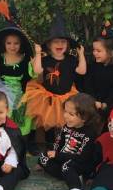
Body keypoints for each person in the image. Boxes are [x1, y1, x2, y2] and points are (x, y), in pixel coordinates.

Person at [23, 11, 86, 144]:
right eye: (56, 42)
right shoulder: (46, 60)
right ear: (49, 45)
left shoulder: (71, 59)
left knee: (62, 123)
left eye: (63, 42)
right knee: (41, 123)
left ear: (67, 45)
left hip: (65, 97)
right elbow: (37, 70)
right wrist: (38, 54)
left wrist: (81, 55)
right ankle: (40, 146)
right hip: (46, 97)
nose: (60, 44)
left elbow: (82, 71)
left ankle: (59, 145)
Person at [37, 93, 102, 190]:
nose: (65, 116)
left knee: (67, 166)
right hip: (64, 159)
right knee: (43, 157)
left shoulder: (90, 133)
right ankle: (71, 176)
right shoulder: (66, 126)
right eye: (65, 112)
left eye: (71, 114)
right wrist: (52, 155)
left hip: (80, 163)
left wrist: (57, 155)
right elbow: (58, 144)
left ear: (84, 118)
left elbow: (83, 157)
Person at [0, 15, 36, 137]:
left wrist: (32, 65)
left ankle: (19, 137)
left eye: (16, 43)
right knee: (1, 105)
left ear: (21, 44)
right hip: (1, 89)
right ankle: (0, 135)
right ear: (4, 43)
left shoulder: (25, 59)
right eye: (9, 43)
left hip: (20, 91)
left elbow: (30, 76)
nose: (12, 46)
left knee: (23, 109)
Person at [82, 22, 113, 119]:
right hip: (92, 101)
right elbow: (88, 83)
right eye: (94, 50)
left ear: (111, 53)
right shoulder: (93, 66)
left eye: (98, 51)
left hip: (110, 103)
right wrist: (94, 100)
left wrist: (106, 103)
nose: (94, 53)